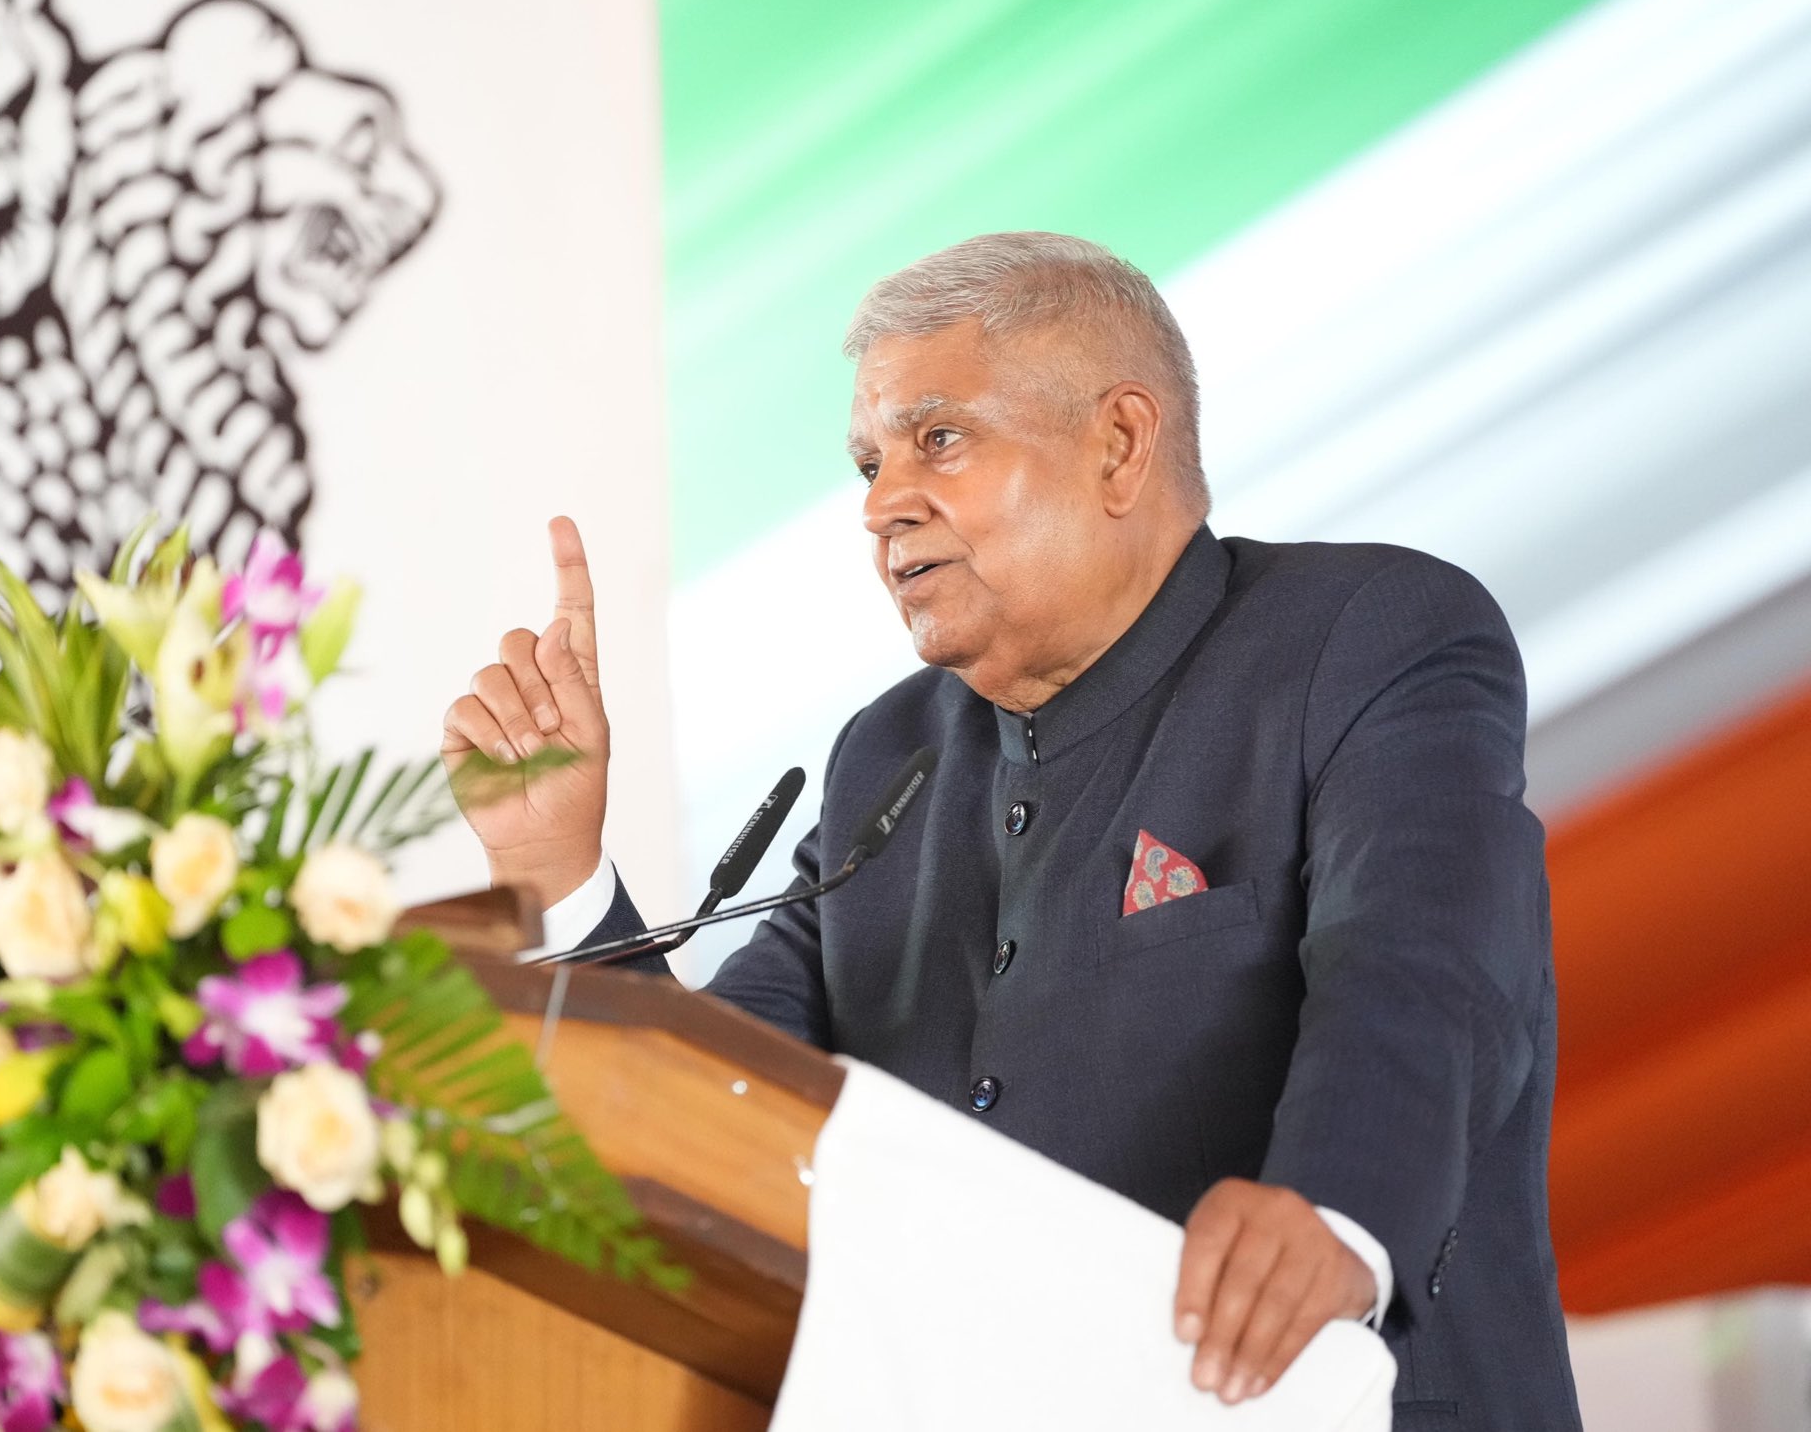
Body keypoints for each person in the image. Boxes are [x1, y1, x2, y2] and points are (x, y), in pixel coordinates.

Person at [440, 232, 1581, 1430]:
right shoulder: (891, 757)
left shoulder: (1362, 636)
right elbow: (723, 1108)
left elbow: (1422, 965)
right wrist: (554, 870)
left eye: (937, 438)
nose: (882, 502)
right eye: (868, 461)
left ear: (1118, 443)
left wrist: (1334, 1212)